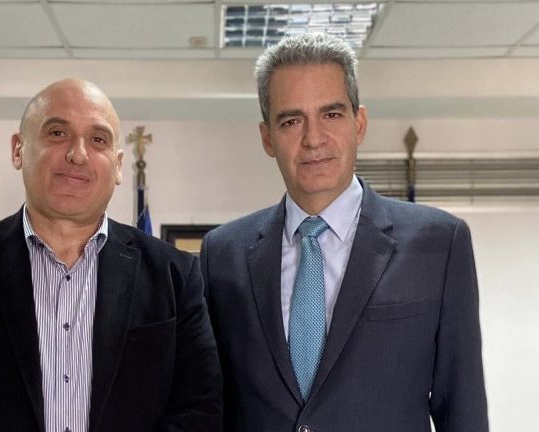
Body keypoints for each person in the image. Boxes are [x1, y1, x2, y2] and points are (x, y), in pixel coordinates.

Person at [0, 78, 222, 432]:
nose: (78, 154)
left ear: (117, 165)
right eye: (57, 133)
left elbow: (199, 409)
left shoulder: (174, 274)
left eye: (98, 139)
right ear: (18, 150)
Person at [200, 33, 488, 432]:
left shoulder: (440, 243)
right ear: (267, 138)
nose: (313, 139)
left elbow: (463, 409)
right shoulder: (222, 253)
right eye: (291, 120)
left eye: (332, 114)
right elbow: (210, 406)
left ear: (360, 123)